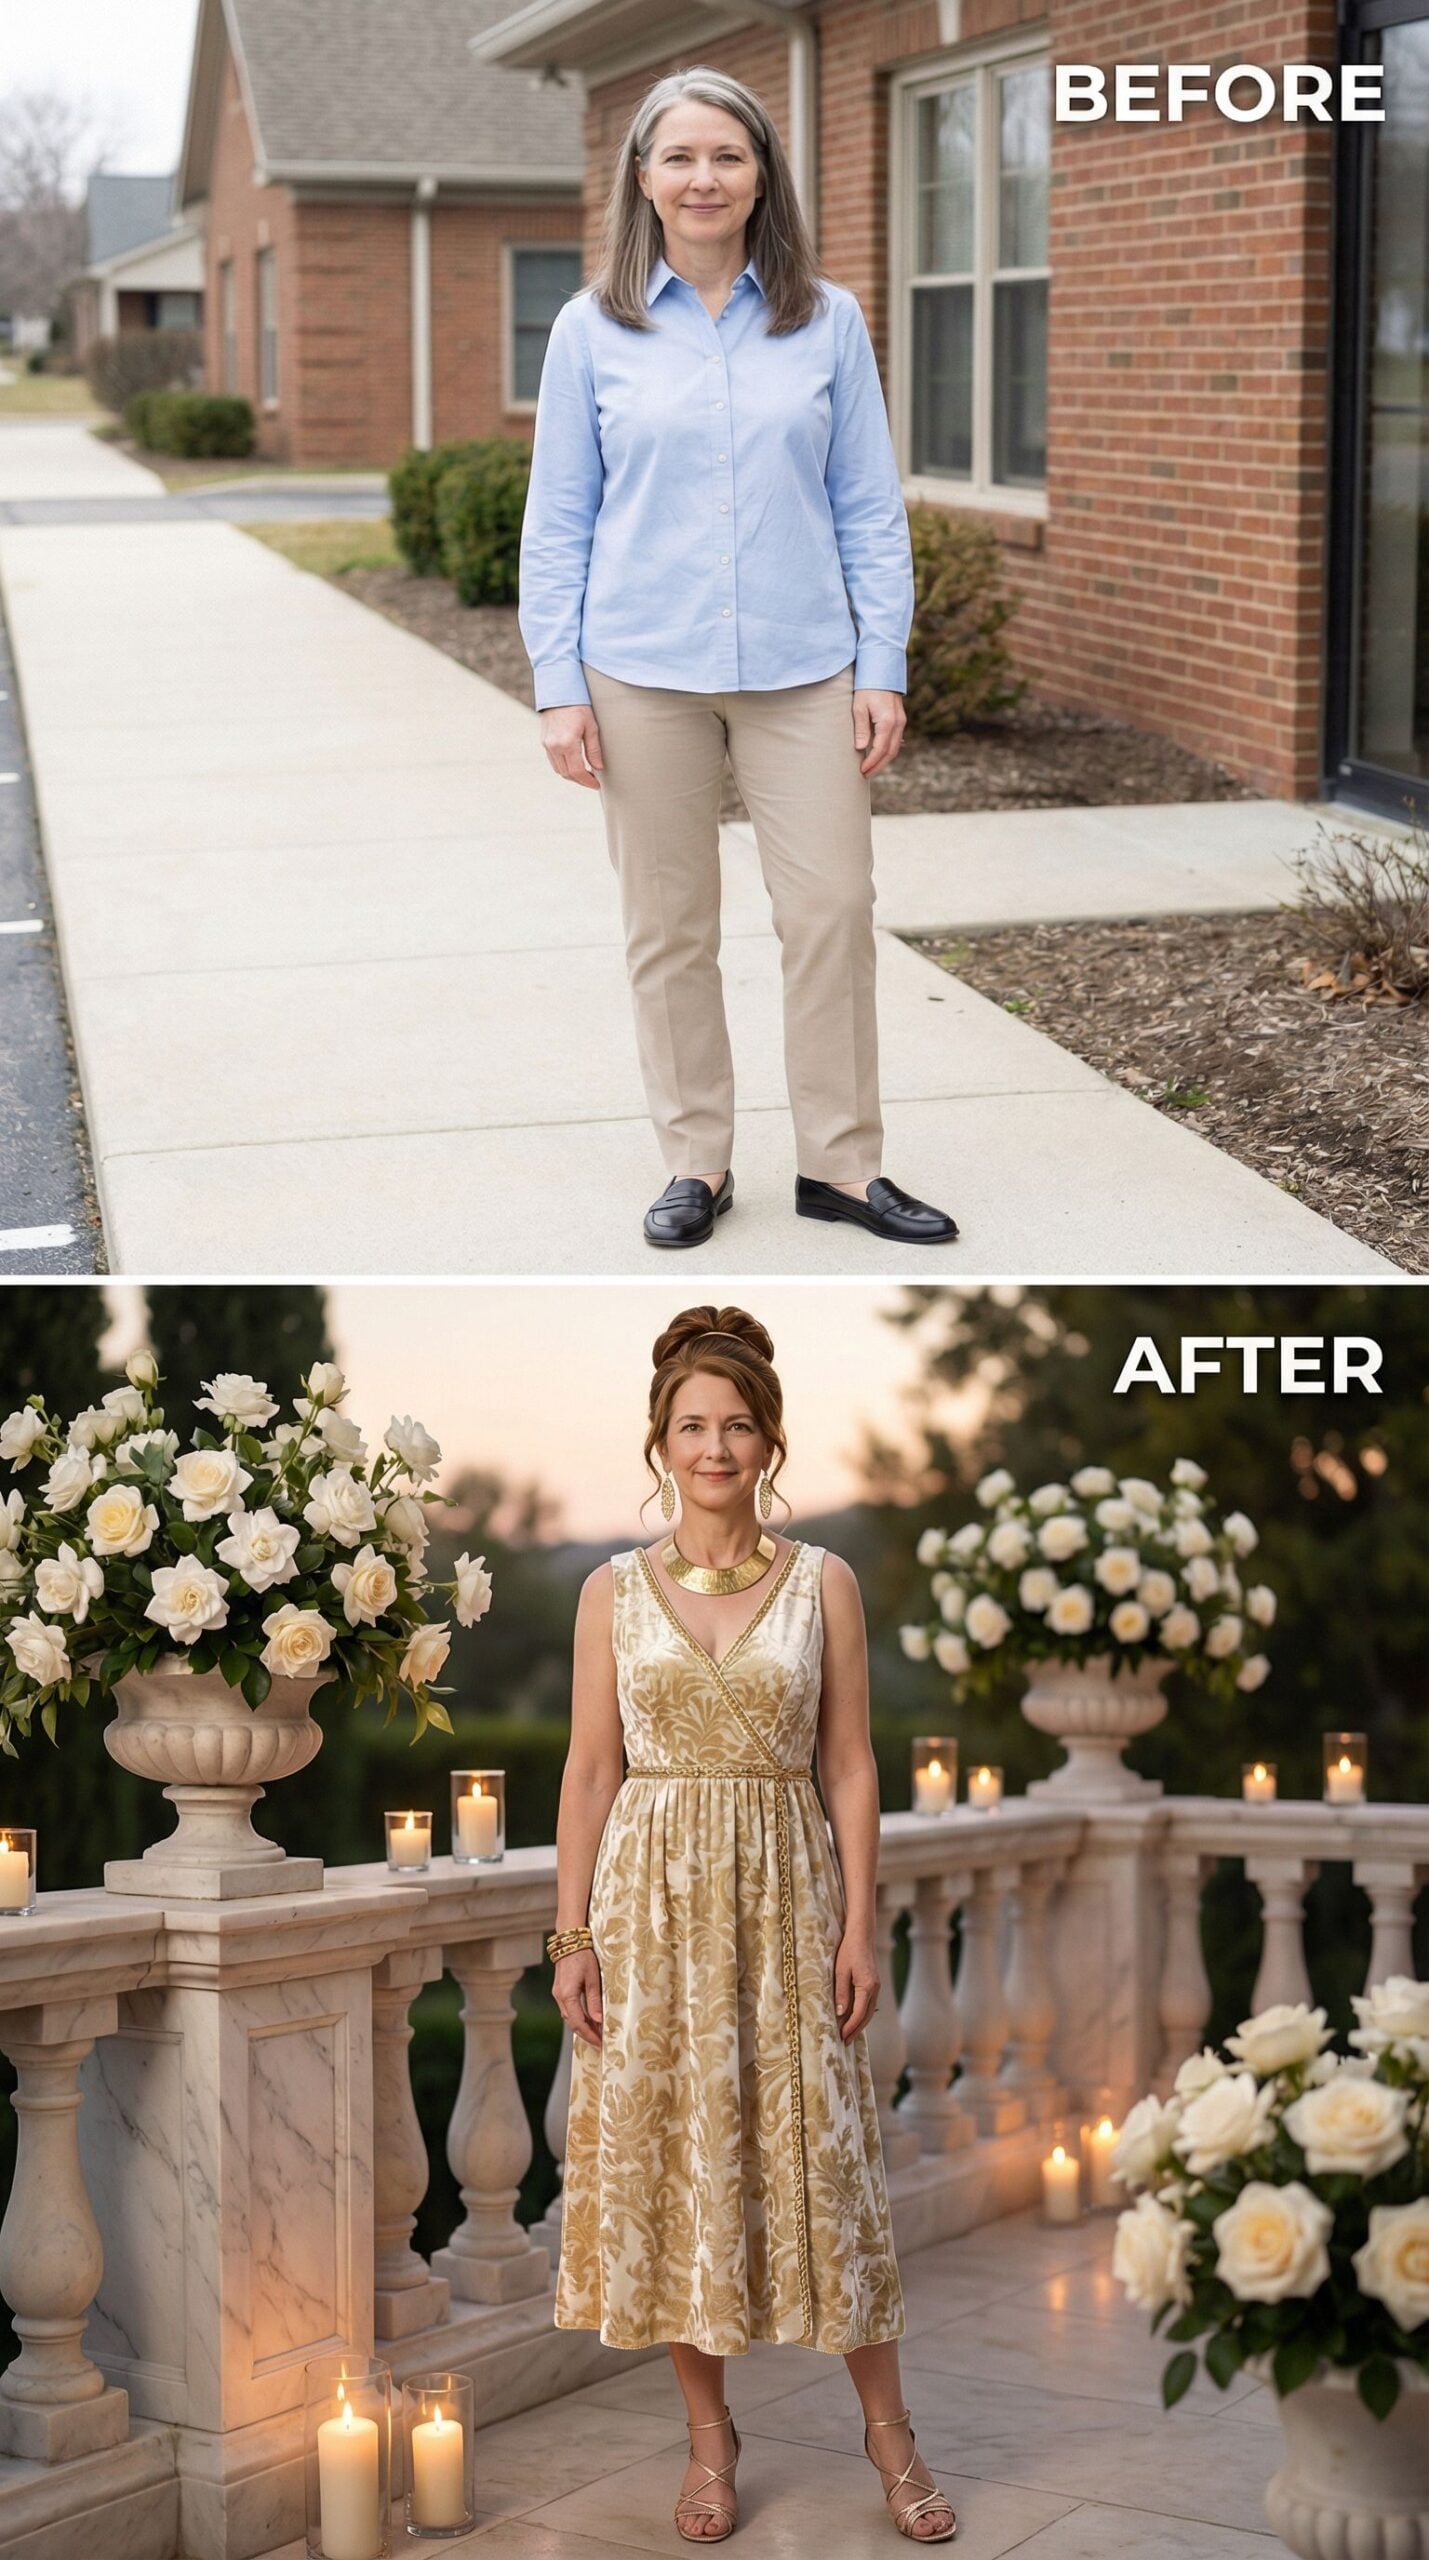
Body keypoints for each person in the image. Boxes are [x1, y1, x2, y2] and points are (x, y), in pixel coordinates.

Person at [518, 67, 959, 1254]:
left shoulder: (826, 318)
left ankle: (842, 1167)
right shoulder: (589, 328)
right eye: (679, 157)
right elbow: (557, 519)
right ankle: (695, 1163)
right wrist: (558, 685)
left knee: (831, 910)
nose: (703, 177)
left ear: (761, 172)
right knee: (669, 926)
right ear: (643, 180)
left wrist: (883, 665)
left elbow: (869, 505)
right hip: (640, 667)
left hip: (806, 666)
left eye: (727, 155)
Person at [547, 1306, 957, 2545]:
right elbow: (585, 1772)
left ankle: (894, 2442)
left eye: (734, 1425)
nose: (713, 1446)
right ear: (660, 1442)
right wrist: (573, 1937)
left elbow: (849, 1767)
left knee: (830, 2171)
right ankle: (709, 2443)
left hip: (786, 1899)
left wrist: (859, 1926)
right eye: (691, 1425)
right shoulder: (607, 1593)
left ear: (767, 1439)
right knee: (676, 2169)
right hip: (651, 1904)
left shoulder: (823, 1581)